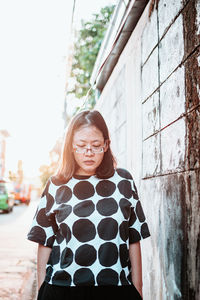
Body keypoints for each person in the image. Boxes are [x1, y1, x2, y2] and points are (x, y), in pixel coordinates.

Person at [27, 110, 151, 300]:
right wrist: (41, 292)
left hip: (116, 288)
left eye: (96, 145)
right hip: (63, 289)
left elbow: (134, 238)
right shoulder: (56, 184)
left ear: (106, 145)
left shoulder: (124, 181)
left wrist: (138, 289)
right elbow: (45, 242)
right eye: (81, 146)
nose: (88, 153)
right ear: (70, 147)